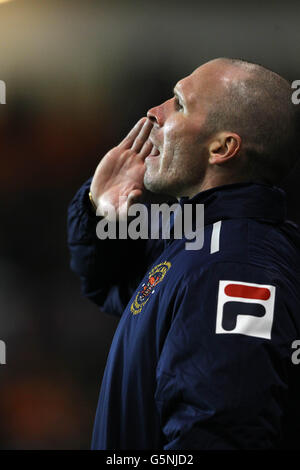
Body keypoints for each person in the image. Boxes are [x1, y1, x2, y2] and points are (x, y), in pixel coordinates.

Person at [67, 58, 300, 450]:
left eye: (178, 103)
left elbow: (219, 436)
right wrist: (100, 211)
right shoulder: (199, 239)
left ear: (222, 148)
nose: (154, 113)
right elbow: (111, 288)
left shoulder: (235, 268)